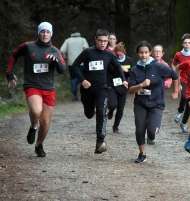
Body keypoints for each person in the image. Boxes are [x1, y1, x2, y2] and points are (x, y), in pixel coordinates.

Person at [5, 22, 66, 157]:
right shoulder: (28, 46)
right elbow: (14, 55)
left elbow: (62, 69)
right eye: (42, 31)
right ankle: (33, 127)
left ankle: (39, 144)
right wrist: (9, 73)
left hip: (49, 88)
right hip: (32, 85)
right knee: (36, 110)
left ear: (51, 34)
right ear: (39, 33)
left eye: (48, 32)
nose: (45, 34)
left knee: (45, 121)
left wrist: (56, 61)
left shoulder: (55, 50)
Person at [71, 29, 128, 154]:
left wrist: (123, 80)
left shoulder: (109, 54)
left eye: (105, 41)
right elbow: (74, 66)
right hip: (87, 88)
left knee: (102, 112)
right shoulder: (88, 52)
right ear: (95, 39)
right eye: (100, 41)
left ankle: (100, 142)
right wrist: (82, 80)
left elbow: (118, 67)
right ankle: (88, 108)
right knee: (89, 114)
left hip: (102, 88)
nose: (103, 44)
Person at [128, 41, 179, 163]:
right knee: (140, 129)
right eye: (141, 52)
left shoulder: (158, 66)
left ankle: (153, 131)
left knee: (151, 132)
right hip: (140, 102)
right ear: (138, 54)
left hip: (156, 103)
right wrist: (141, 85)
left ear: (150, 53)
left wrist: (176, 91)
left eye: (146, 52)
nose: (143, 55)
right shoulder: (135, 69)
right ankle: (142, 154)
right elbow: (130, 90)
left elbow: (174, 75)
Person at [172, 33, 190, 132]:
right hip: (183, 78)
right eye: (185, 43)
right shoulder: (178, 54)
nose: (187, 44)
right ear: (182, 44)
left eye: (189, 43)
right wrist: (175, 73)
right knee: (184, 96)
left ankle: (184, 123)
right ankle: (179, 111)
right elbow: (174, 64)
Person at [107, 42, 133, 133]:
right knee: (112, 104)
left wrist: (127, 71)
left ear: (124, 52)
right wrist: (119, 68)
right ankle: (110, 111)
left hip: (123, 86)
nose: (119, 57)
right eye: (117, 55)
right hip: (112, 85)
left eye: (120, 55)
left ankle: (116, 126)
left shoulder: (128, 60)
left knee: (120, 108)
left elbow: (132, 74)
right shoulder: (111, 59)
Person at [60, 27, 89, 101]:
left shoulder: (67, 41)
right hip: (81, 63)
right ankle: (84, 95)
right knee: (82, 78)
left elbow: (62, 50)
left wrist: (65, 57)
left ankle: (75, 96)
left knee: (73, 78)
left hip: (71, 63)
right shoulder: (83, 40)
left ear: (71, 33)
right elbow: (86, 49)